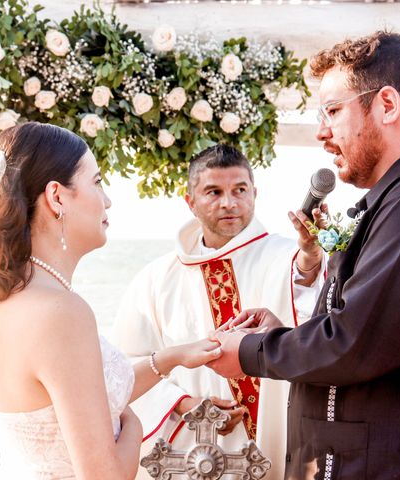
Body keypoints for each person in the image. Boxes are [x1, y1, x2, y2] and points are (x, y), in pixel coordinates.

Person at [208, 31, 400, 480]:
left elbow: (357, 342)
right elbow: (365, 326)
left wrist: (252, 351)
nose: (321, 132)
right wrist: (287, 332)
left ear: (387, 105)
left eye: (332, 111)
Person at [0, 122, 222, 480]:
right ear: (57, 197)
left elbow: (76, 391)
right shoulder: (61, 313)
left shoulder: (8, 301)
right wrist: (128, 420)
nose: (108, 200)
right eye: (97, 182)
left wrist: (174, 357)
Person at [111, 144, 327, 479]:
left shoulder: (284, 255)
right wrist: (184, 403)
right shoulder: (155, 279)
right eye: (214, 191)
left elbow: (308, 293)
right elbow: (126, 366)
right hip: (192, 446)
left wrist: (311, 258)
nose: (229, 202)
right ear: (190, 201)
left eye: (239, 190)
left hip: (278, 436)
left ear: (254, 193)